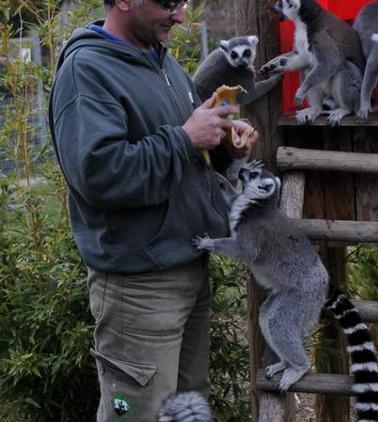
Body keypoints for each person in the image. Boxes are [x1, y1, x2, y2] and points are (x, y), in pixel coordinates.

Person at [48, 0, 259, 419]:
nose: (180, 15)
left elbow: (182, 154)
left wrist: (219, 142)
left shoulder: (159, 60)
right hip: (139, 287)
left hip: (187, 267)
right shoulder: (87, 71)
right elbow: (99, 175)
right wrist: (184, 138)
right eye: (168, 3)